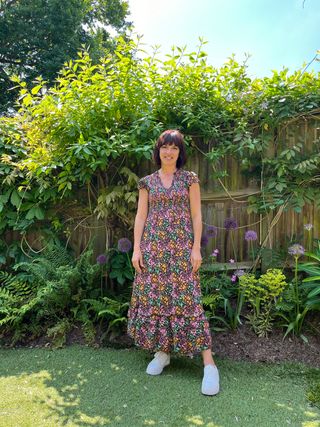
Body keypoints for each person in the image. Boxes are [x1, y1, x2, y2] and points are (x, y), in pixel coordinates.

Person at [127, 129, 219, 396]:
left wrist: (196, 249)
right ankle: (163, 353)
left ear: (180, 153)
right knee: (158, 299)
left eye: (174, 148)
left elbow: (197, 216)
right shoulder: (147, 182)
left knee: (189, 300)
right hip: (153, 250)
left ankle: (209, 364)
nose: (169, 152)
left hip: (181, 251)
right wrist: (136, 249)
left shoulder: (189, 179)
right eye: (165, 147)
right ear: (158, 151)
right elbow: (141, 218)